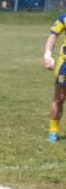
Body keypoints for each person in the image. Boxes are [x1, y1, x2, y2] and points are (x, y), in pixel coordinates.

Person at [42, 12, 66, 141]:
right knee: (59, 98)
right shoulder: (64, 18)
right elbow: (53, 36)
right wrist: (48, 54)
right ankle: (53, 132)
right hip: (65, 64)